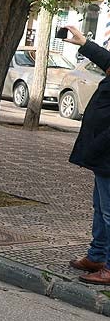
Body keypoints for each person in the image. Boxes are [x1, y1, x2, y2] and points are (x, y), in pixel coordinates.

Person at [63, 25, 110, 284]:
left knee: (109, 212)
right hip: (101, 155)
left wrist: (95, 146)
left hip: (105, 153)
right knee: (100, 208)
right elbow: (108, 60)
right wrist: (84, 43)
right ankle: (97, 256)